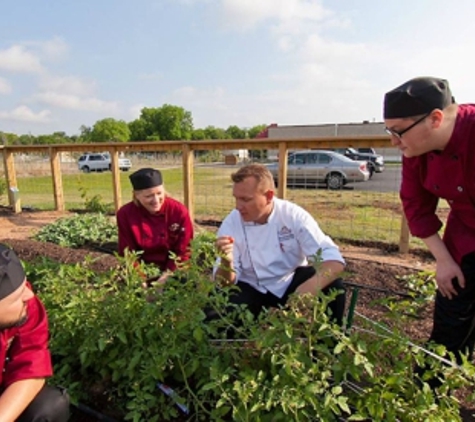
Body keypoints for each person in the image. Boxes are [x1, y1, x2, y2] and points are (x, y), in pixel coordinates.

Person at [383, 76, 475, 374]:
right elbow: (415, 205)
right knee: (451, 311)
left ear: (435, 119)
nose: (393, 142)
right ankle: (431, 392)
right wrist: (444, 261)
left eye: (398, 132)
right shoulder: (415, 150)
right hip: (465, 233)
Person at [213, 163, 346, 326]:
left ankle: (329, 346)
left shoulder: (292, 216)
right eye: (236, 198)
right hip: (249, 285)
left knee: (333, 286)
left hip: (288, 281)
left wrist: (308, 289)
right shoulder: (231, 224)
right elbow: (222, 283)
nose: (238, 206)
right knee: (216, 317)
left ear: (269, 196)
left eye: (245, 199)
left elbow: (334, 261)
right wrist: (226, 261)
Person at [0, 244, 70, 421]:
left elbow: (31, 365)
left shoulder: (25, 307)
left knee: (50, 405)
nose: (29, 295)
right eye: (17, 297)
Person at [117, 167, 194, 284]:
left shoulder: (178, 211)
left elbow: (184, 251)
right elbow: (128, 253)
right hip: (142, 271)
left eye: (159, 193)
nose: (156, 200)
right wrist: (141, 282)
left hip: (174, 270)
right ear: (136, 195)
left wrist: (164, 279)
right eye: (149, 196)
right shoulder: (125, 214)